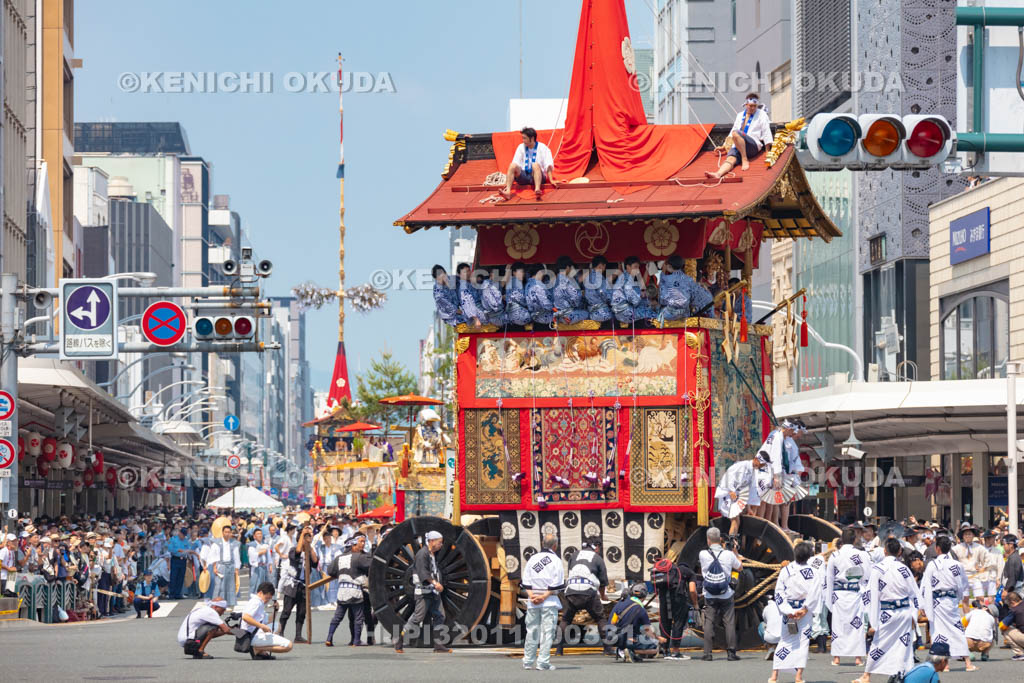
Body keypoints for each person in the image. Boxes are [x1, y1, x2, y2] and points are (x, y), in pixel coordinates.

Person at [853, 538, 921, 683]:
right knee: (904, 645)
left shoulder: (877, 569)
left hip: (886, 612)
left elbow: (871, 595)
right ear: (900, 552)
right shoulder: (904, 569)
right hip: (903, 611)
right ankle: (905, 674)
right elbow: (914, 593)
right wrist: (914, 613)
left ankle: (867, 676)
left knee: (878, 643)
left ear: (884, 551)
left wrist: (873, 620)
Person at [768, 542, 822, 683]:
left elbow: (779, 592)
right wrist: (804, 609)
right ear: (809, 555)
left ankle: (774, 675)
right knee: (803, 643)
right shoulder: (814, 572)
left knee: (784, 641)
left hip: (789, 611)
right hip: (805, 611)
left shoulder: (786, 570)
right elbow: (815, 593)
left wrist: (788, 610)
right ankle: (798, 676)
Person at [920, 534, 975, 671]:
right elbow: (963, 585)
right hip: (951, 601)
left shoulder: (932, 565)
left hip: (937, 601)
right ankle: (967, 663)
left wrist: (923, 604)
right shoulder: (956, 565)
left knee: (939, 631)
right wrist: (959, 597)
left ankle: (945, 664)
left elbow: (925, 585)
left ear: (938, 549)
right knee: (957, 629)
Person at [394, 530, 451, 654]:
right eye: (439, 542)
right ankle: (399, 639)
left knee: (440, 616)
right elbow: (423, 573)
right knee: (417, 618)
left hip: (433, 592)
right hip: (424, 592)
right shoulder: (422, 554)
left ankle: (438, 644)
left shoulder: (431, 554)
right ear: (431, 541)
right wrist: (435, 583)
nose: (441, 545)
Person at [556, 538, 611, 657]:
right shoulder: (597, 558)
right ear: (596, 547)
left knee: (565, 619)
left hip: (570, 591)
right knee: (600, 618)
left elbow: (570, 572)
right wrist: (603, 596)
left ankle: (559, 650)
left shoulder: (574, 555)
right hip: (588, 591)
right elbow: (603, 582)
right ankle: (607, 648)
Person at [826, 526, 871, 666]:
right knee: (856, 626)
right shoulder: (861, 555)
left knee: (838, 625)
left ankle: (837, 658)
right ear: (854, 539)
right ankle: (858, 658)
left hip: (838, 593)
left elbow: (829, 578)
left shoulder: (834, 555)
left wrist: (829, 598)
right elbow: (867, 575)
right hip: (854, 592)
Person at [699, 526, 743, 661]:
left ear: (708, 540)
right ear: (721, 539)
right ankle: (731, 653)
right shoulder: (728, 555)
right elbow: (740, 567)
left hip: (709, 593)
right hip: (726, 593)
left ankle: (707, 653)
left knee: (709, 622)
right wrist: (734, 551)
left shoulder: (702, 554)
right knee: (729, 623)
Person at [521, 533, 564, 671]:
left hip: (533, 601)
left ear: (542, 543)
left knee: (531, 631)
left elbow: (526, 580)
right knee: (547, 633)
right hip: (549, 601)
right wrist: (544, 596)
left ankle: (528, 661)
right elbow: (557, 583)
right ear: (555, 545)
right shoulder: (556, 560)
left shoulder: (533, 559)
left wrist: (533, 596)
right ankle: (543, 662)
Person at [706, 93, 773, 178]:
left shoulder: (761, 114)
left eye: (754, 106)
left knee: (736, 133)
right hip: (738, 145)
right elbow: (732, 131)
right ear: (746, 105)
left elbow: (766, 130)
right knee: (730, 158)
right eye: (750, 106)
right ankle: (718, 174)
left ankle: (744, 159)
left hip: (752, 145)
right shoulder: (740, 115)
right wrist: (724, 146)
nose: (752, 108)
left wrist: (767, 150)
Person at [325, 532, 372, 647]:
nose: (362, 544)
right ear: (353, 545)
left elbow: (330, 571)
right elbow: (372, 565)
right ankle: (356, 640)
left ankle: (329, 638)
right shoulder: (359, 557)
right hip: (355, 591)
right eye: (360, 542)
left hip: (342, 591)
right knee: (359, 617)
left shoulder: (339, 558)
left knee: (338, 616)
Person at [651, 555, 698, 660]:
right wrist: (695, 604)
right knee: (678, 622)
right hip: (678, 598)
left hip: (663, 598)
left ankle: (665, 649)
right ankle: (675, 651)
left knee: (664, 622)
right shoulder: (689, 572)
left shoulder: (668, 570)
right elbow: (691, 590)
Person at [276, 524, 318, 644]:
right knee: (287, 611)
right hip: (292, 585)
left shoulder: (309, 552)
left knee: (301, 612)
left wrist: (310, 545)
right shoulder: (293, 550)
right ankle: (280, 632)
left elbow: (315, 562)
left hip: (304, 586)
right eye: (305, 538)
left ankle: (298, 636)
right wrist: (303, 537)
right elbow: (298, 552)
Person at [716, 451, 772, 536]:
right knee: (736, 520)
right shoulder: (742, 466)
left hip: (736, 497)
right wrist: (731, 490)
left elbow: (749, 490)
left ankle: (732, 542)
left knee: (740, 521)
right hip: (727, 495)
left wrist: (749, 508)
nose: (762, 466)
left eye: (763, 465)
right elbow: (728, 475)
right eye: (762, 464)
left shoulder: (753, 471)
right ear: (756, 459)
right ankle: (731, 545)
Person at [609, 583, 666, 662]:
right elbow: (648, 630)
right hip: (625, 638)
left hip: (610, 637)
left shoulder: (620, 603)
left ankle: (623, 649)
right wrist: (658, 638)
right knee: (655, 647)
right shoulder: (641, 610)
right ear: (644, 596)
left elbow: (612, 622)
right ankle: (627, 650)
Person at [500, 126, 555, 200]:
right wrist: (508, 181)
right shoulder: (521, 147)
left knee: (535, 165)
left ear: (532, 138)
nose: (523, 140)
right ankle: (508, 192)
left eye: (524, 138)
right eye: (522, 138)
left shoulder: (543, 148)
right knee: (512, 165)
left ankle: (537, 190)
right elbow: (515, 163)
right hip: (524, 177)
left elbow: (548, 165)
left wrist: (551, 180)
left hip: (538, 177)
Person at [241, 581, 292, 659]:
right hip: (252, 635)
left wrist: (276, 610)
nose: (267, 600)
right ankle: (258, 648)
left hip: (254, 632)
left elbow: (268, 620)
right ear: (260, 593)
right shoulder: (256, 602)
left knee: (277, 625)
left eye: (269, 599)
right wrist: (261, 626)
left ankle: (259, 650)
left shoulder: (259, 602)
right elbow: (245, 617)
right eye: (267, 598)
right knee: (289, 646)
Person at [659, 255, 714, 322]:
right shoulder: (685, 278)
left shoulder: (675, 280)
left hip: (701, 309)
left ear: (669, 265)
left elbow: (681, 303)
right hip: (707, 303)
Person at [610, 257, 655, 325]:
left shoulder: (625, 276)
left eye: (638, 267)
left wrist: (646, 269)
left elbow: (641, 284)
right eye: (635, 267)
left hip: (621, 311)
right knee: (652, 312)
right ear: (628, 267)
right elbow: (635, 301)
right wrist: (643, 298)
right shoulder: (627, 280)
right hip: (626, 313)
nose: (637, 269)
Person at [204, 525, 240, 608]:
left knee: (231, 585)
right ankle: (217, 603)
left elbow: (236, 556)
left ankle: (230, 604)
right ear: (222, 533)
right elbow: (213, 555)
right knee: (219, 585)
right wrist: (214, 567)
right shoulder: (217, 543)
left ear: (231, 533)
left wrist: (237, 568)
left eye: (229, 532)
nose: (227, 534)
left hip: (231, 566)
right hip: (221, 565)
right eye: (226, 532)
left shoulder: (234, 543)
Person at [952, 523, 987, 600]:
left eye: (969, 534)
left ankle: (979, 611)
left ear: (973, 535)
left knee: (980, 597)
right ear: (963, 536)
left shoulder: (979, 547)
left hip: (975, 575)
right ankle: (967, 613)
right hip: (963, 575)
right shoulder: (957, 548)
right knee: (965, 599)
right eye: (966, 534)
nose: (968, 536)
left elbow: (986, 560)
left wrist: (982, 567)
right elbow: (951, 561)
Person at [552, 256, 588, 324]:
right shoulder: (567, 281)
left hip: (558, 315)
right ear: (567, 267)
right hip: (568, 316)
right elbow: (576, 300)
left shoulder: (554, 281)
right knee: (587, 313)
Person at [583, 256, 613, 323]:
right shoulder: (599, 277)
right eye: (604, 266)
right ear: (601, 266)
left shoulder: (587, 277)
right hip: (602, 312)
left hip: (591, 311)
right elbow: (605, 294)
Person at [456, 263, 484, 328]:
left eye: (469, 270)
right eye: (465, 272)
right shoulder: (463, 287)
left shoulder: (470, 283)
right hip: (476, 317)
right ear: (460, 274)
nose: (468, 273)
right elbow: (467, 303)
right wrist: (475, 319)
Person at [167, 527, 191, 599]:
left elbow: (188, 549)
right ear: (179, 533)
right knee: (173, 577)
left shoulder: (186, 540)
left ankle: (178, 594)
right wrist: (179, 550)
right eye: (182, 535)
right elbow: (170, 549)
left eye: (184, 535)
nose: (183, 536)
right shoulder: (173, 539)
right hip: (175, 559)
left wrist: (184, 552)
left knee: (181, 577)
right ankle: (172, 594)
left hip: (183, 560)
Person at [504, 262, 531, 326]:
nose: (523, 274)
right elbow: (521, 299)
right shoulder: (515, 282)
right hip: (519, 314)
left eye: (523, 272)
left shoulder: (514, 281)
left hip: (512, 316)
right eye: (521, 272)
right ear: (514, 273)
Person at [247, 528, 271, 599]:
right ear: (254, 536)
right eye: (258, 534)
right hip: (256, 567)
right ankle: (253, 599)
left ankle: (263, 599)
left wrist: (269, 565)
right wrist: (260, 553)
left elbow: (268, 556)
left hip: (264, 566)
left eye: (260, 534)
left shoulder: (265, 545)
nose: (260, 535)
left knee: (265, 584)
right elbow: (252, 555)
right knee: (255, 584)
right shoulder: (252, 545)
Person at [1000, 590, 1024, 659]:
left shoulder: (1014, 610)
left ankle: (1020, 653)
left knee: (1005, 630)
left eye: (1009, 605)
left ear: (1012, 602)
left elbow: (1002, 625)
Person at [1001, 534, 1023, 601]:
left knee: (1011, 610)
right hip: (1013, 591)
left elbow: (1013, 577)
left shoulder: (1014, 558)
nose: (1003, 547)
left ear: (1011, 545)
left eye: (1004, 544)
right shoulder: (1012, 557)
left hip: (1015, 592)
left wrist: (1007, 590)